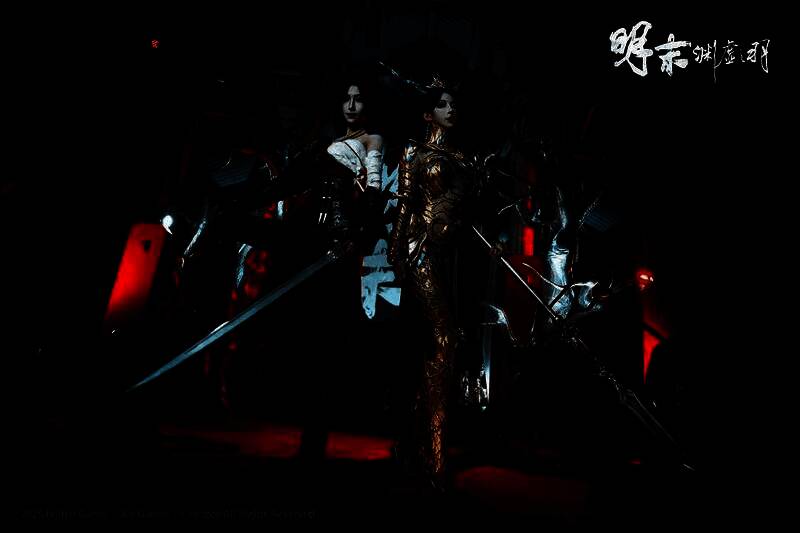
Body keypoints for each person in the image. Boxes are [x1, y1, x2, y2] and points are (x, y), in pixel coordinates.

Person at [387, 77, 478, 488]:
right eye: (443, 104)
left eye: (453, 103)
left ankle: (425, 441)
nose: (450, 109)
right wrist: (396, 252)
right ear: (428, 114)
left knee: (447, 340)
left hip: (453, 256)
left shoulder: (463, 158)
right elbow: (404, 204)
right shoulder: (415, 152)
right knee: (441, 337)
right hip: (420, 249)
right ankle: (433, 450)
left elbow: (466, 211)